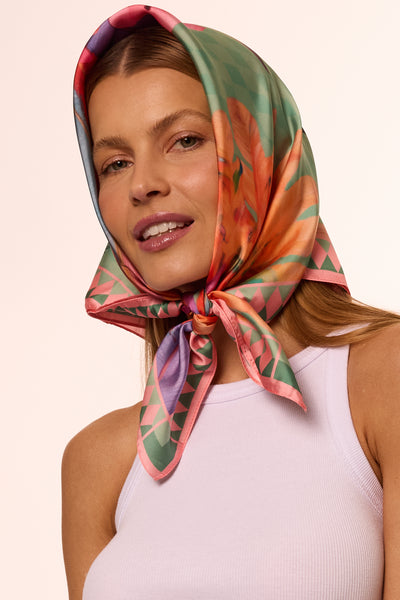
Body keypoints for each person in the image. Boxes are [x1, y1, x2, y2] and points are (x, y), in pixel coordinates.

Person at [63, 4, 400, 599]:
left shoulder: (381, 378)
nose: (142, 184)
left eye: (185, 140)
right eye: (114, 163)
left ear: (260, 150)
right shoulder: (99, 461)